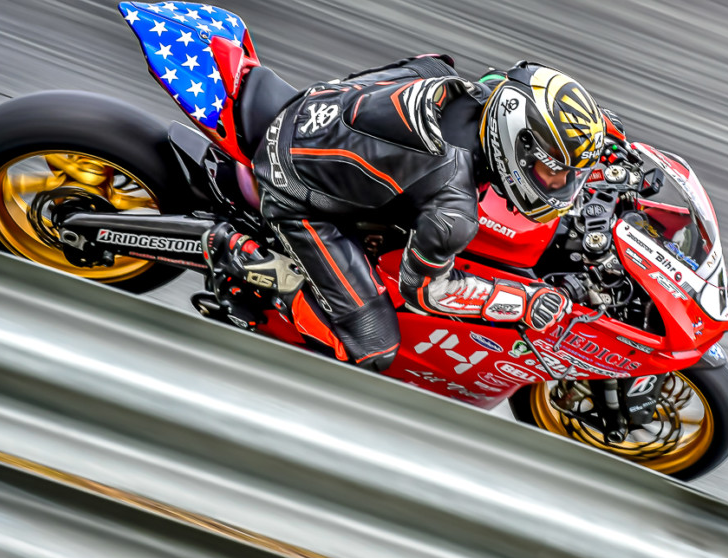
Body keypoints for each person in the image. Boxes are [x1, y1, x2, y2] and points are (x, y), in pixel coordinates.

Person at [202, 56, 611, 371]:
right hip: (291, 186)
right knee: (373, 347)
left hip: (317, 107)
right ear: (516, 143)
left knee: (432, 68)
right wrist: (525, 301)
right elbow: (428, 292)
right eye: (552, 172)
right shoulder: (452, 207)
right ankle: (242, 255)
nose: (559, 185)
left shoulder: (475, 88)